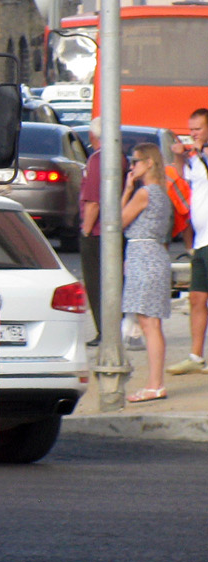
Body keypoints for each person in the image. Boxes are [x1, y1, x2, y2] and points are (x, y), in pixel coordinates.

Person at [122, 143, 173, 403]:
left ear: (149, 163)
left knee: (149, 324)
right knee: (151, 323)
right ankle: (155, 383)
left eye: (135, 162)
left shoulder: (145, 193)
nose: (132, 167)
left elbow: (118, 221)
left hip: (145, 257)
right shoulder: (161, 192)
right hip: (153, 255)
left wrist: (127, 190)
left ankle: (155, 384)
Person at [168, 107, 208, 374]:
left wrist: (196, 151)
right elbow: (184, 183)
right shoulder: (195, 159)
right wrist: (180, 158)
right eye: (190, 129)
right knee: (196, 297)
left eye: (198, 129)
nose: (193, 134)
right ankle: (196, 355)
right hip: (201, 240)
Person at [79, 117, 104, 346]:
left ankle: (103, 331)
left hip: (95, 231)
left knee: (95, 283)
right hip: (107, 231)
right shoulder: (119, 158)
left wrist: (86, 230)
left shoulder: (97, 159)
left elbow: (93, 200)